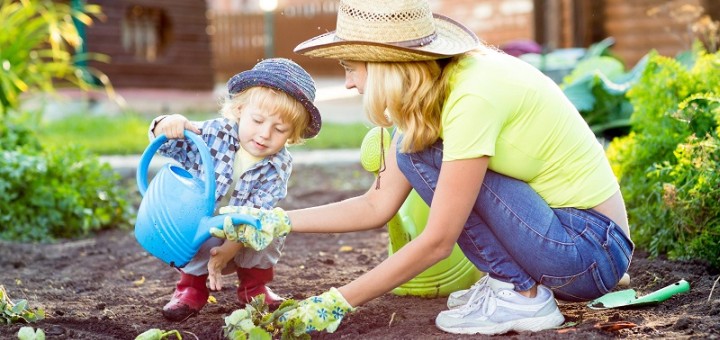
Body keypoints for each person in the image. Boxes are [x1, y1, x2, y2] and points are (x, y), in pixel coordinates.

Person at [214, 0, 634, 335]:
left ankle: (520, 295)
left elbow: (438, 241)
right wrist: (272, 220)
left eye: (351, 68)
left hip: (588, 252)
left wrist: (334, 302)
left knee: (415, 150)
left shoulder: (473, 97)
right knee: (412, 148)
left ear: (384, 65)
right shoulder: (441, 90)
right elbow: (376, 206)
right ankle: (512, 283)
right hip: (566, 240)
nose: (348, 84)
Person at [148, 58, 321, 321]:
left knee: (270, 227)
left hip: (243, 228)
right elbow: (168, 145)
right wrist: (168, 124)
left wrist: (231, 247)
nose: (264, 134)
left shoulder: (279, 164)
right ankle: (191, 288)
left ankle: (254, 287)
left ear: (292, 135)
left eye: (279, 129)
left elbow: (257, 210)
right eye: (258, 120)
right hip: (199, 223)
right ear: (239, 109)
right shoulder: (214, 133)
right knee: (193, 230)